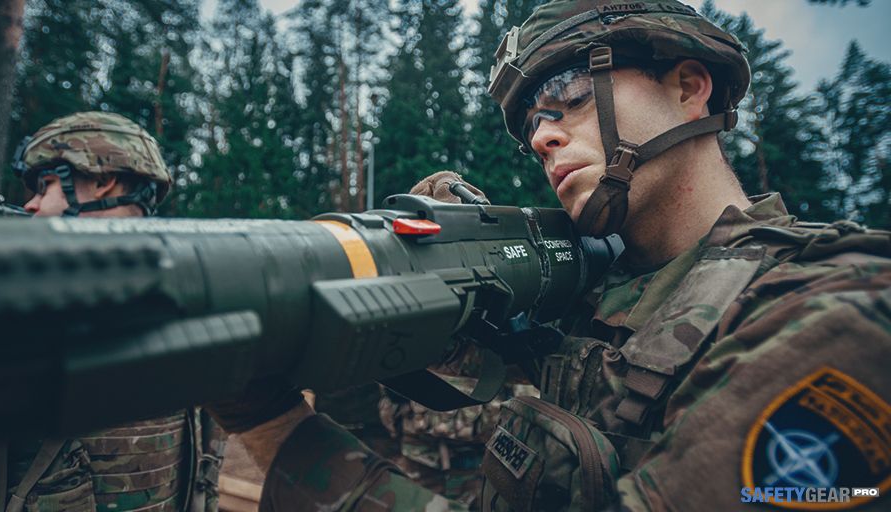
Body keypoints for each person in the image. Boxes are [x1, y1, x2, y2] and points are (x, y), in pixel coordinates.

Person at [207, 1, 891, 510]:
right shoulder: (595, 296)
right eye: (532, 121)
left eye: (564, 95)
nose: (541, 137)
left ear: (688, 87)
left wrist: (287, 445)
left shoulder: (832, 317)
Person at [0, 112, 227, 512]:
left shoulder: (16, 307)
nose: (31, 203)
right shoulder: (198, 294)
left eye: (45, 186)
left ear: (100, 180)